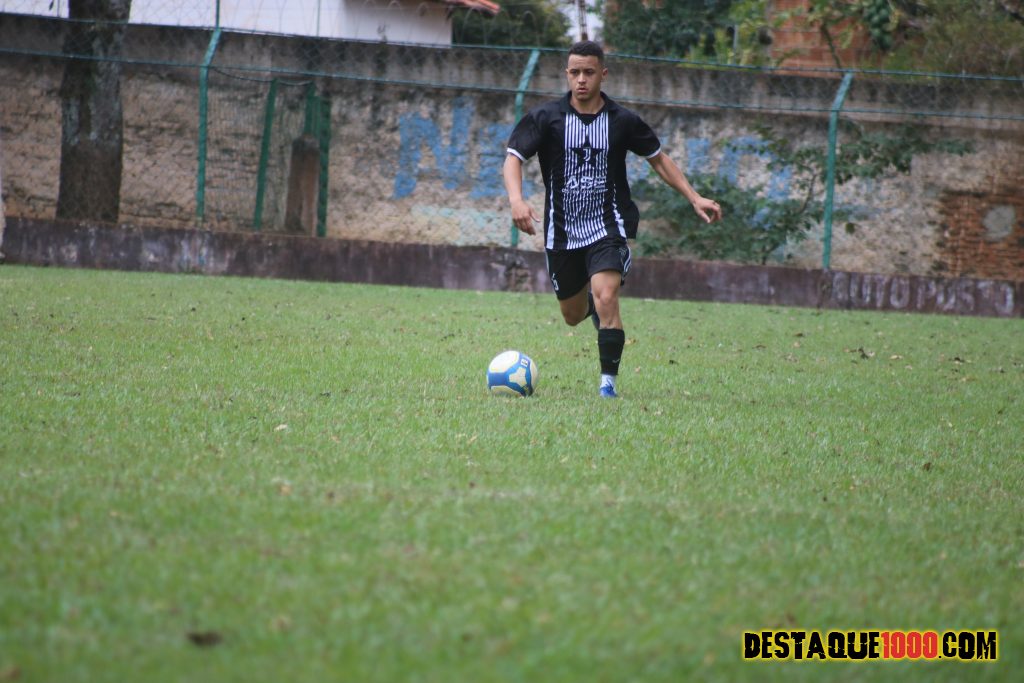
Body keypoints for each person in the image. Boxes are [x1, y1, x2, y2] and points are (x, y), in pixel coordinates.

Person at [503, 40, 722, 398]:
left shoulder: (622, 121)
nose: (582, 80)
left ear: (603, 74)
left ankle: (608, 385)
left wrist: (694, 196)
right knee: (572, 314)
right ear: (567, 74)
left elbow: (658, 159)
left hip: (608, 225)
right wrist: (516, 200)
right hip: (562, 233)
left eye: (589, 72)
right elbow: (513, 158)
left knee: (606, 294)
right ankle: (592, 304)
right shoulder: (546, 118)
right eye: (575, 72)